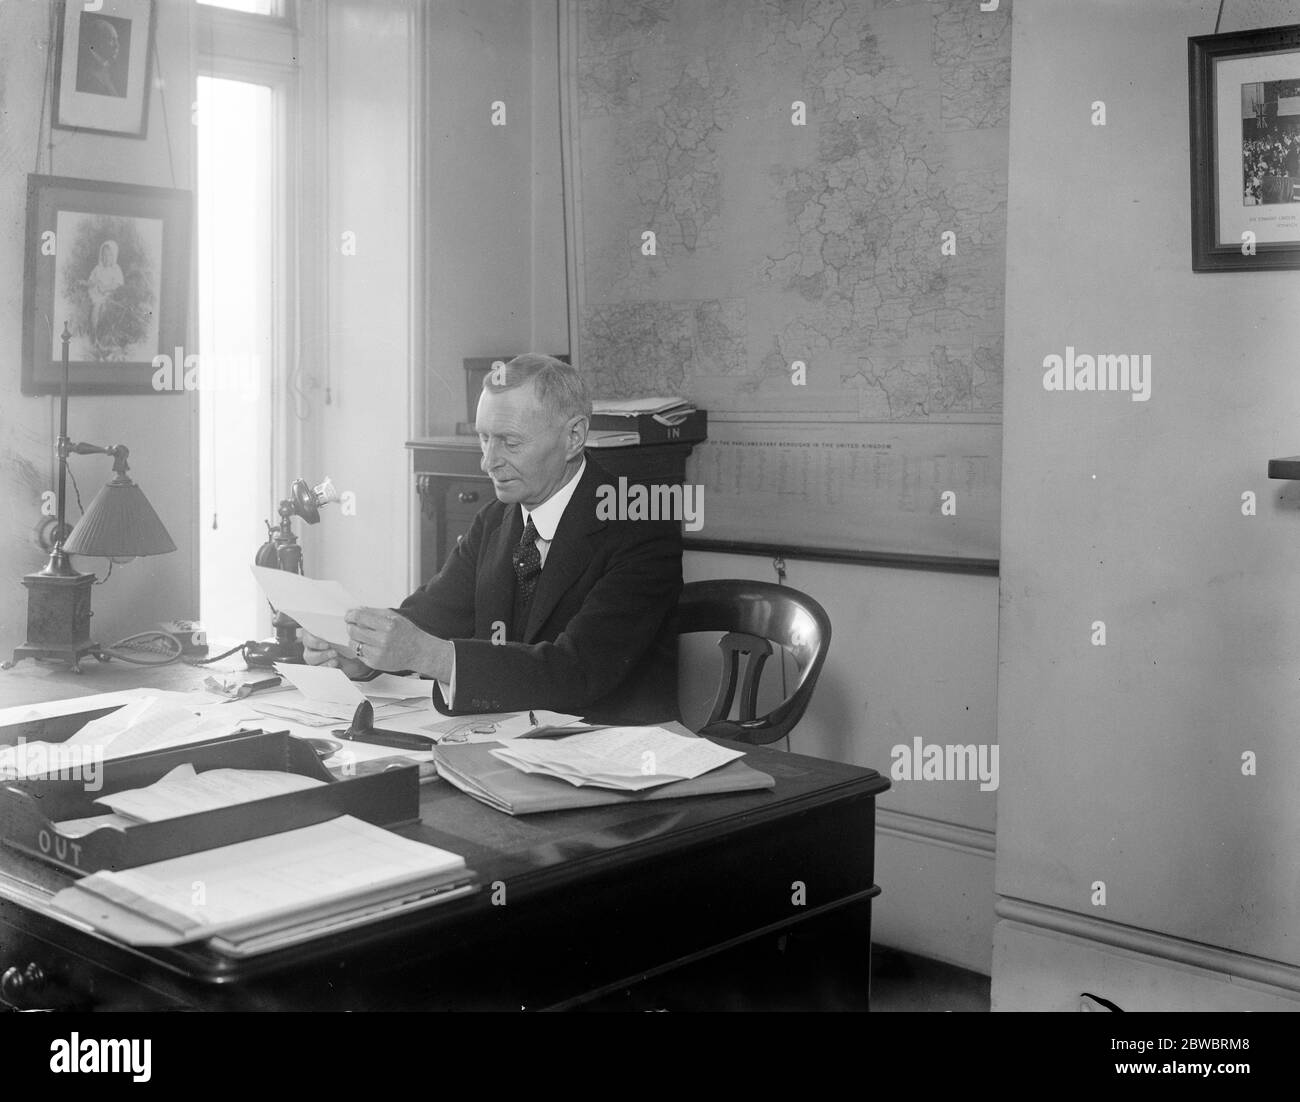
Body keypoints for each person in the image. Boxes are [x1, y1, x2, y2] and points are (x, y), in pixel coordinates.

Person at [300, 354, 683, 724]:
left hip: (612, 758)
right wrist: (361, 653)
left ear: (574, 436)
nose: (488, 462)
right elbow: (430, 618)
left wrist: (429, 656)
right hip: (511, 746)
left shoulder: (641, 526)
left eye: (510, 442)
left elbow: (576, 671)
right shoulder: (496, 520)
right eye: (484, 438)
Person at [84, 240, 123, 342]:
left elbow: (118, 284)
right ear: (101, 255)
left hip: (109, 293)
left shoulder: (116, 269)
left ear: (114, 256)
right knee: (97, 305)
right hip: (96, 293)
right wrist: (88, 283)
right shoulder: (98, 268)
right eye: (104, 255)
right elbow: (91, 280)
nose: (106, 258)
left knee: (105, 306)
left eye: (109, 255)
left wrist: (106, 288)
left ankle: (103, 333)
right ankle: (94, 332)